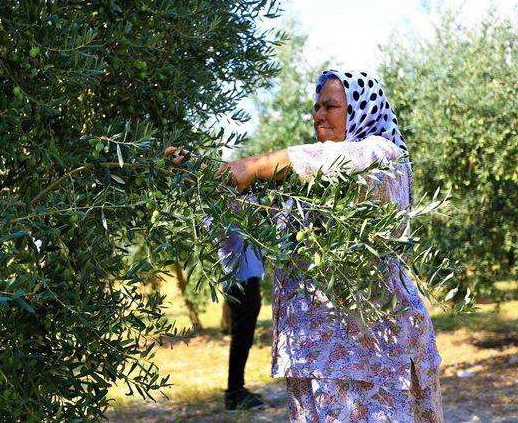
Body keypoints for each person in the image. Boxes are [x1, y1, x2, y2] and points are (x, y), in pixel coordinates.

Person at [167, 70, 443, 422]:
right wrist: (201, 174)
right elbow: (249, 209)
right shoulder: (303, 175)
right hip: (313, 354)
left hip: (376, 355)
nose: (319, 115)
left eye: (331, 106)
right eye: (316, 107)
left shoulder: (382, 156)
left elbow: (340, 162)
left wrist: (252, 166)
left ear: (361, 110)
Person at [219, 230, 265, 410]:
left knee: (243, 337)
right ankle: (234, 394)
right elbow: (223, 236)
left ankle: (237, 390)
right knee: (241, 337)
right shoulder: (220, 206)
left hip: (244, 276)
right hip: (239, 277)